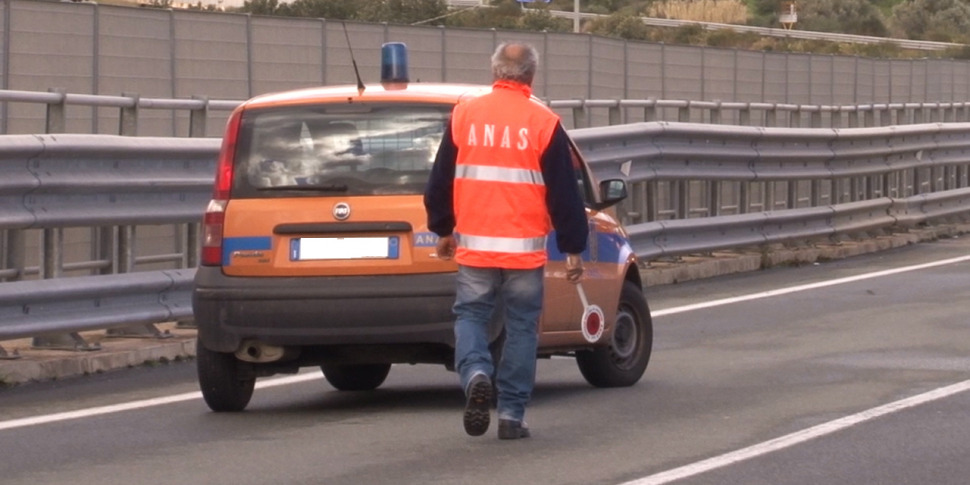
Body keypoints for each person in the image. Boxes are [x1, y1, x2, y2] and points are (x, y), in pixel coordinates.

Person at [424, 42, 588, 440]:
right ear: (531, 76)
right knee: (520, 328)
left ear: (495, 72)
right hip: (524, 249)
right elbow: (565, 193)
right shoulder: (544, 122)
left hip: (476, 246)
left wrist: (443, 228)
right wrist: (572, 247)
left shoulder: (465, 115)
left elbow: (440, 180)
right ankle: (512, 415)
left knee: (471, 316)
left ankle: (477, 373)